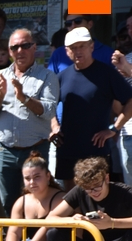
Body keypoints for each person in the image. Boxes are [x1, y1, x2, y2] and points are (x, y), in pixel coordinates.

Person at [0, 29, 58, 210]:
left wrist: (23, 97)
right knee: (7, 202)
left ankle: (36, 238)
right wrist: (0, 95)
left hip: (35, 149)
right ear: (9, 51)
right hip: (6, 151)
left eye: (25, 46)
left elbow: (48, 111)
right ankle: (12, 238)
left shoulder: (47, 76)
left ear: (34, 47)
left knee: (38, 200)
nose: (20, 51)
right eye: (14, 47)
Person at [50, 27, 132, 190]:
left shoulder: (107, 73)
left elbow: (130, 101)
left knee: (97, 196)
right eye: (73, 48)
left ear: (91, 47)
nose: (78, 51)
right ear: (67, 52)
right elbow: (48, 105)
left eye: (82, 46)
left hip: (96, 149)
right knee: (71, 199)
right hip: (67, 148)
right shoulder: (61, 77)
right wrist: (54, 127)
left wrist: (114, 129)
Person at [48, 14, 114, 75]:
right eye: (68, 23)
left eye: (78, 21)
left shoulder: (108, 53)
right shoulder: (58, 54)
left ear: (90, 24)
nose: (73, 26)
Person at [113, 11, 132, 184]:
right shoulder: (125, 59)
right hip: (128, 133)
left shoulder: (126, 62)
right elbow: (121, 101)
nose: (130, 30)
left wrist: (129, 69)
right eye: (128, 27)